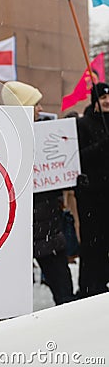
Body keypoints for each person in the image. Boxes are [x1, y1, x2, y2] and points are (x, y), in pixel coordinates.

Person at [2, 81, 75, 305]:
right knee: (14, 297)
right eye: (35, 104)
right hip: (25, 230)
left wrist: (70, 175)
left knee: (63, 290)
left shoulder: (46, 136)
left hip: (47, 230)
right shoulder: (4, 140)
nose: (41, 109)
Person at [75, 82, 109, 298]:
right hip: (91, 194)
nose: (107, 102)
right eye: (103, 98)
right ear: (95, 101)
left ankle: (103, 279)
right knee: (92, 241)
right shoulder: (83, 124)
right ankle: (89, 285)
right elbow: (78, 156)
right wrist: (103, 144)